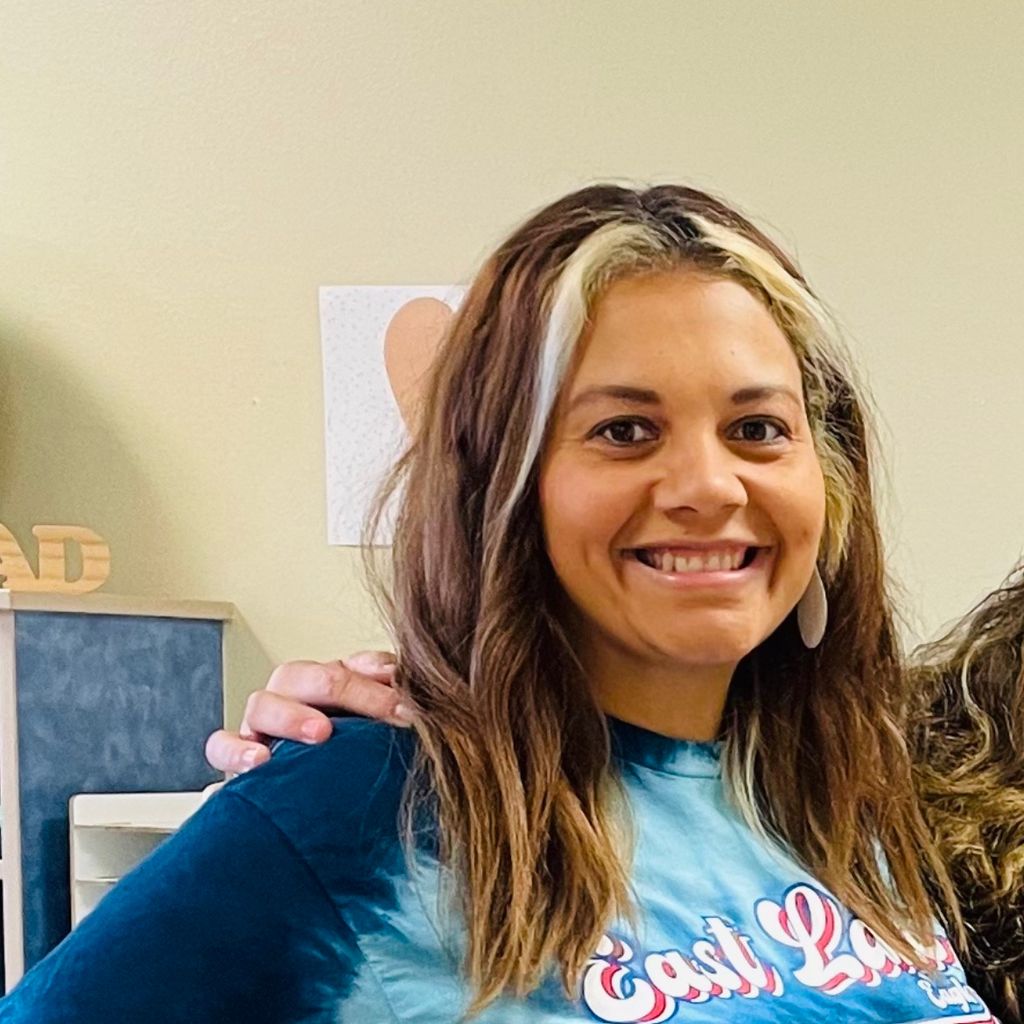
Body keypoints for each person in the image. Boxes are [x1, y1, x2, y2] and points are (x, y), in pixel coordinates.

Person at [0, 184, 998, 1022]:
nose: (707, 484)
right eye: (623, 430)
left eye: (756, 427)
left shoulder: (845, 789)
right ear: (502, 487)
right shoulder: (358, 806)